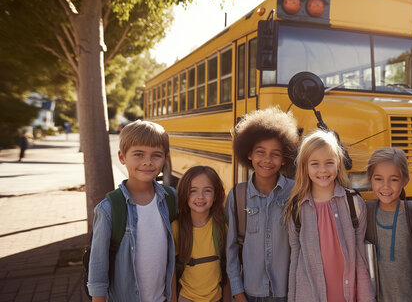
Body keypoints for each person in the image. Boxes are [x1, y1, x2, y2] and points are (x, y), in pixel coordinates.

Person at [87, 120, 177, 302]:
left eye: (156, 155)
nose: (147, 162)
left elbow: (172, 257)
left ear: (165, 159)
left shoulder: (170, 198)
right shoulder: (109, 208)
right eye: (138, 154)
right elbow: (97, 270)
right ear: (122, 157)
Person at [285, 129, 375, 302]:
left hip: (346, 293)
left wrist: (366, 297)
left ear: (338, 163)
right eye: (315, 164)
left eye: (329, 162)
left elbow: (359, 255)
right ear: (304, 166)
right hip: (310, 295)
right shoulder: (297, 208)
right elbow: (295, 258)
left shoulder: (353, 203)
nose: (323, 170)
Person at [225, 107, 299, 302]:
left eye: (275, 154)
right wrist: (237, 291)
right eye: (260, 152)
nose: (267, 159)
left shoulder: (295, 193)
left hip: (288, 291)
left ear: (284, 159)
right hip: (250, 291)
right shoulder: (237, 195)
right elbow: (231, 248)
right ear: (249, 154)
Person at [364, 147, 412, 302]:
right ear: (370, 179)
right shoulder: (365, 213)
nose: (386, 186)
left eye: (394, 179)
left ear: (405, 181)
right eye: (378, 179)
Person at [171, 166, 230, 302]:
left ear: (215, 195)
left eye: (207, 191)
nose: (200, 197)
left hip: (216, 298)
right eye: (193, 191)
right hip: (186, 297)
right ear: (185, 194)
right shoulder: (177, 228)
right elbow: (171, 272)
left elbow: (227, 267)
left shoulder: (222, 227)